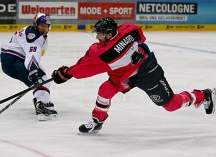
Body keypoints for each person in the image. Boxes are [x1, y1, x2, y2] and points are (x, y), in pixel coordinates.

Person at [51, 17, 216, 134]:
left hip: (146, 72)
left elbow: (83, 68)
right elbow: (141, 40)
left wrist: (65, 73)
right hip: (125, 75)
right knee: (105, 89)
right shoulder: (128, 28)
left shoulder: (101, 52)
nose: (97, 36)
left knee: (171, 105)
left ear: (109, 34)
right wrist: (138, 54)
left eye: (100, 34)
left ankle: (202, 95)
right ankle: (97, 121)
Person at [0, 12, 57, 121]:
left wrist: (36, 72)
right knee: (42, 78)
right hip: (13, 61)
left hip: (12, 60)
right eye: (42, 26)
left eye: (46, 26)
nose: (44, 28)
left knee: (43, 76)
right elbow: (32, 55)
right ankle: (41, 104)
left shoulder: (34, 33)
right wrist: (34, 73)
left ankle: (43, 100)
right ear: (36, 24)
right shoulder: (33, 36)